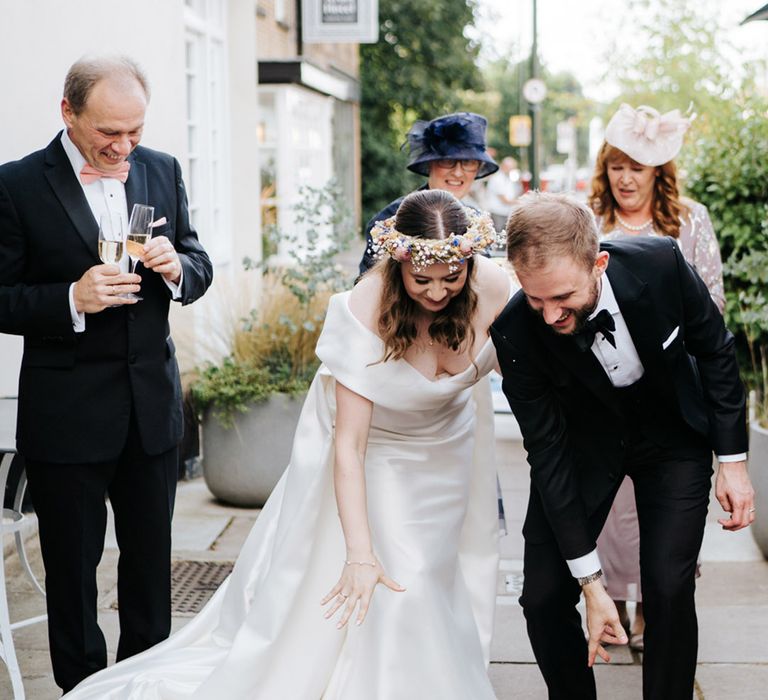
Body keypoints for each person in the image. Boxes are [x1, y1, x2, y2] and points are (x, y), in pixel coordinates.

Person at [62, 189, 512, 698]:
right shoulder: (365, 306)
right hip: (378, 454)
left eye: (451, 279)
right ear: (397, 263)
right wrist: (359, 554)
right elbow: (350, 447)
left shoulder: (496, 290)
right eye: (422, 280)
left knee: (435, 576)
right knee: (404, 576)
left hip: (449, 453)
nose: (436, 293)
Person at [0, 56, 213, 693]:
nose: (123, 148)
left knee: (149, 571)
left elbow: (200, 263)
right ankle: (83, 692)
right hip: (66, 415)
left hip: (152, 409)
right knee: (72, 574)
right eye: (107, 135)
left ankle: (146, 687)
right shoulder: (15, 186)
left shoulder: (162, 169)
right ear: (68, 113)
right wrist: (70, 297)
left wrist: (178, 268)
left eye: (134, 133)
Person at [491, 191, 754, 700]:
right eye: (535, 297)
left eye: (562, 297)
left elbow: (716, 351)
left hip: (672, 437)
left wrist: (734, 463)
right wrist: (591, 584)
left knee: (669, 586)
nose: (548, 315)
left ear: (599, 264)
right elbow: (546, 453)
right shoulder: (515, 331)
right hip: (581, 449)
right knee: (543, 598)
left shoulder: (661, 265)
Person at [589, 103, 726, 650]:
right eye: (617, 166)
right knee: (614, 508)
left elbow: (712, 304)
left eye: (637, 168)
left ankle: (652, 606)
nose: (626, 178)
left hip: (671, 391)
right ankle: (613, 602)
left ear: (657, 173)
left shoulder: (688, 221)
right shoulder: (589, 219)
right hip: (606, 391)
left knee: (663, 507)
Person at [358, 111, 498, 276]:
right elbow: (367, 286)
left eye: (468, 162)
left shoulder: (478, 221)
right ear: (430, 163)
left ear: (478, 168)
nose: (458, 173)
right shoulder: (390, 219)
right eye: (448, 161)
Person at [486, 156, 521, 231]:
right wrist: (521, 202)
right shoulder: (497, 178)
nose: (512, 170)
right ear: (504, 166)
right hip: (498, 213)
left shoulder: (508, 178)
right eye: (511, 167)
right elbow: (504, 200)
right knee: (498, 235)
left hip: (505, 213)